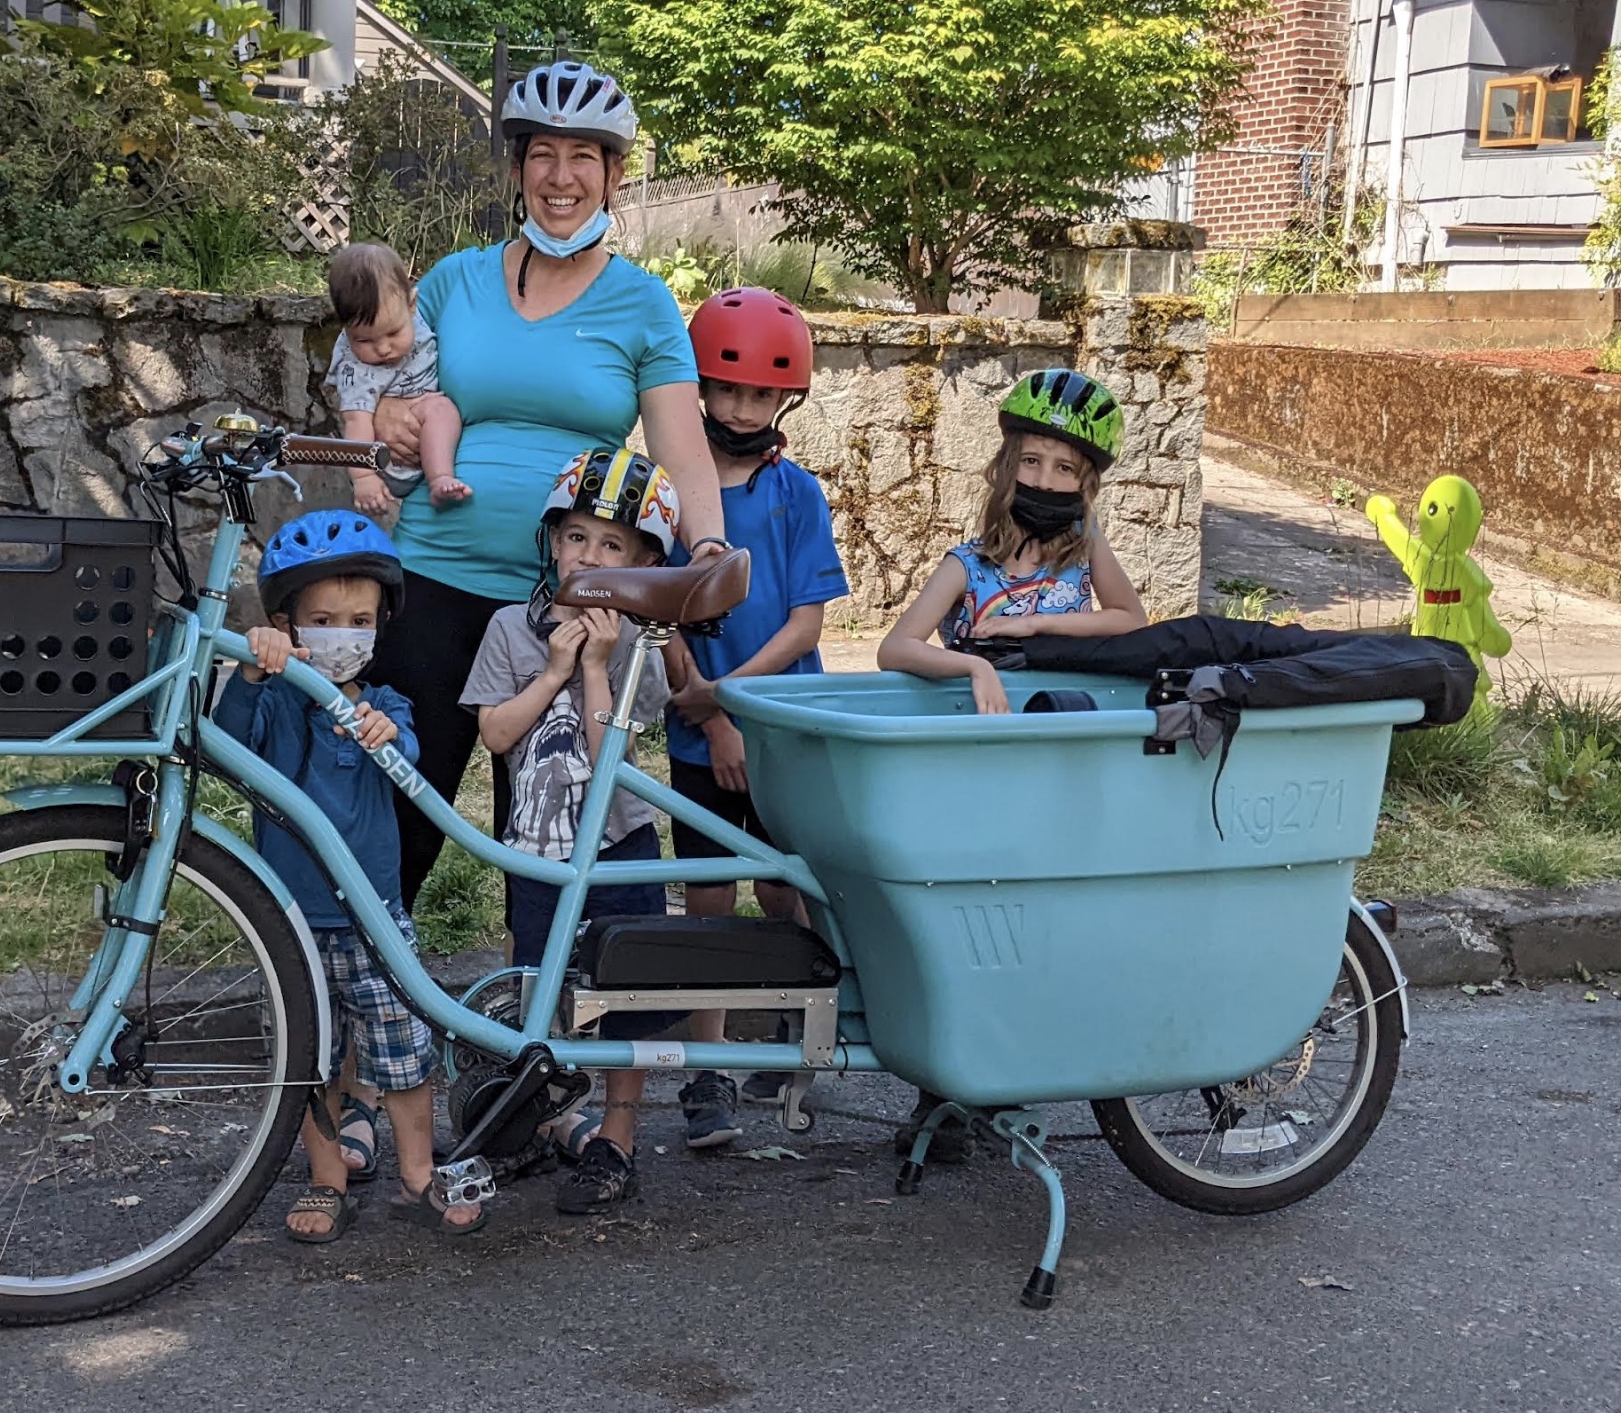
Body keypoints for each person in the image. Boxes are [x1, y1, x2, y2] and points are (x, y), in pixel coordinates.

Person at [360, 60, 727, 933]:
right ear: (519, 165)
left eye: (585, 157)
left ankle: (539, 1033)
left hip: (563, 605)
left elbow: (684, 452)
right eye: (543, 154)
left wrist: (706, 550)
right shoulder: (452, 281)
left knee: (552, 833)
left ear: (614, 172)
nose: (562, 178)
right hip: (430, 576)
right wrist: (385, 414)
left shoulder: (643, 305)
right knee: (397, 811)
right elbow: (378, 377)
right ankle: (365, 1024)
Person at [876, 369, 1149, 1158]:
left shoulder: (1086, 555)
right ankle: (947, 1091)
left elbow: (1131, 620)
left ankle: (1020, 1077)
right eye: (1031, 462)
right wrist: (973, 666)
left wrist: (1047, 634)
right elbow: (899, 644)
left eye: (1066, 469)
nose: (1045, 480)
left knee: (1046, 924)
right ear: (1005, 468)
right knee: (969, 928)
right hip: (982, 771)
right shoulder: (970, 563)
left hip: (1061, 772)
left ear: (1088, 483)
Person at [214, 510, 483, 1240]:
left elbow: (413, 767)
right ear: (286, 622)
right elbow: (226, 743)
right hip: (291, 922)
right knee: (309, 1060)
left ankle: (419, 1173)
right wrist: (249, 665)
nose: (343, 633)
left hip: (375, 919)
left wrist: (389, 736)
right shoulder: (270, 700)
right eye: (323, 619)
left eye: (359, 619)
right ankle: (326, 1178)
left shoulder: (384, 703)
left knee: (402, 1052)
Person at [460, 447, 677, 1214]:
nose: (590, 557)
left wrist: (597, 668)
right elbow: (495, 735)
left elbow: (606, 759)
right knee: (537, 984)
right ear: (552, 540)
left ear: (645, 563)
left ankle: (617, 1136)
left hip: (618, 841)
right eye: (577, 537)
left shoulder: (644, 648)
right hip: (540, 847)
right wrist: (553, 669)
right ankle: (544, 1119)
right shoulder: (508, 630)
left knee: (629, 992)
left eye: (613, 545)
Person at [661, 288, 848, 1149]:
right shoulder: (672, 496)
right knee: (707, 898)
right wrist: (707, 708)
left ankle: (800, 1024)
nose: (741, 409)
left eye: (760, 396)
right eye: (726, 391)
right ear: (699, 388)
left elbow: (806, 622)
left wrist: (735, 702)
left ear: (785, 402)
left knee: (783, 885)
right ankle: (705, 1071)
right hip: (701, 722)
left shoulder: (796, 496)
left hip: (780, 726)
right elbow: (664, 617)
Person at [321, 243, 469, 512]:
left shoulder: (415, 314)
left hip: (422, 429)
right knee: (439, 408)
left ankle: (441, 478)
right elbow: (356, 422)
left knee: (440, 408)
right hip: (388, 465)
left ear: (412, 305)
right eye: (364, 339)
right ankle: (440, 477)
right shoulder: (356, 368)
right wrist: (364, 477)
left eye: (392, 333)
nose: (383, 349)